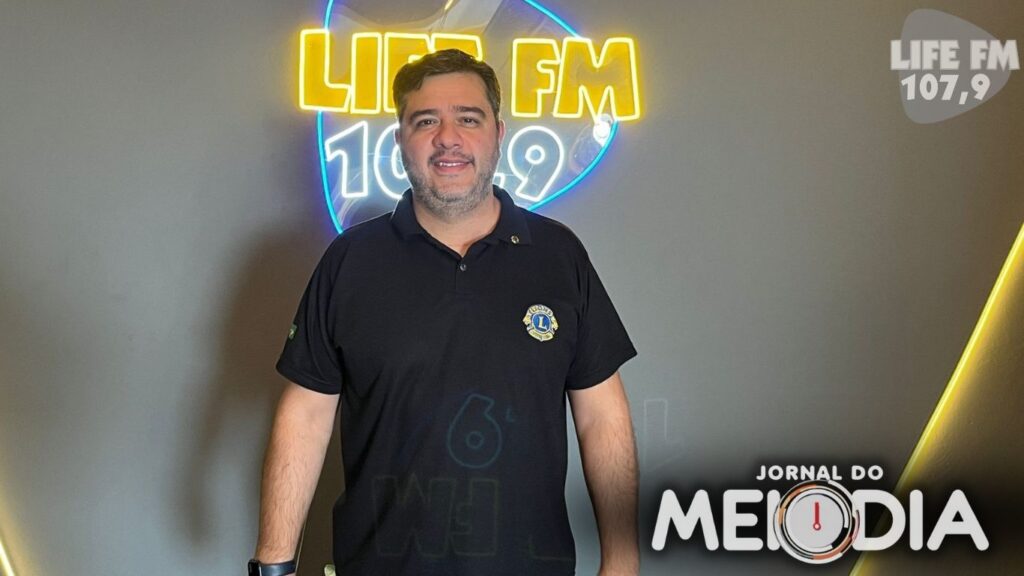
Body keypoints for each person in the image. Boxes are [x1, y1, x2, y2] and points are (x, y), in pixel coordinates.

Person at [251, 49, 638, 576]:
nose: (448, 138)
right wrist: (273, 566)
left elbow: (601, 415)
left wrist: (623, 559)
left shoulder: (558, 255)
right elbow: (305, 416)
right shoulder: (351, 260)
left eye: (468, 119)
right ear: (400, 140)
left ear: (499, 134)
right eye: (426, 121)